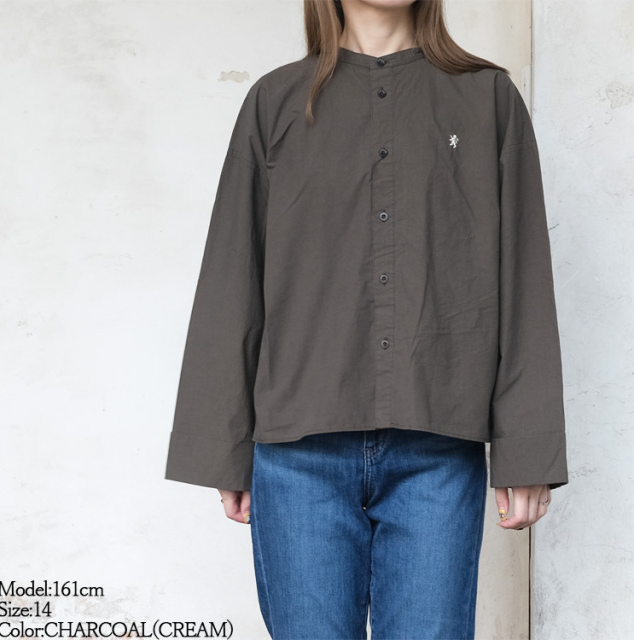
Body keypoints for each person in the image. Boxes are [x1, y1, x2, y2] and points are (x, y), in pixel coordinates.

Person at [165, 1, 570, 638]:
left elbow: (523, 278)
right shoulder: (274, 102)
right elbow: (232, 275)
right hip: (297, 454)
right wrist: (225, 451)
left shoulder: (488, 99)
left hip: (438, 448)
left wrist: (528, 451)